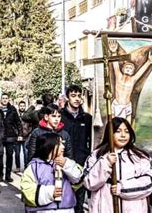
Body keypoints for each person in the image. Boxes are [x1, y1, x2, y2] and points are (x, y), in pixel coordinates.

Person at [84, 117, 152, 213]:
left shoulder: (139, 157)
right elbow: (88, 182)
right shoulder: (97, 155)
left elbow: (150, 182)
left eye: (126, 131)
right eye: (118, 131)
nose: (123, 135)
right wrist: (105, 163)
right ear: (110, 133)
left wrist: (122, 188)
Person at [20, 132, 83, 212]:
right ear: (49, 146)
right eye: (59, 144)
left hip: (67, 209)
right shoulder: (34, 167)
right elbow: (27, 190)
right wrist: (50, 193)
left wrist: (67, 165)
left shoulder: (67, 163)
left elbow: (79, 180)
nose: (63, 147)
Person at [108, 39, 152, 122]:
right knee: (113, 126)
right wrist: (114, 52)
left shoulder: (133, 79)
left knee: (128, 127)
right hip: (116, 104)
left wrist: (149, 61)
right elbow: (115, 65)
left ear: (133, 72)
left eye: (131, 68)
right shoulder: (118, 75)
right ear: (123, 69)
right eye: (127, 67)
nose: (128, 69)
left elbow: (141, 71)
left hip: (127, 106)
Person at [60, 85, 92, 213]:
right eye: (73, 96)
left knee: (79, 199)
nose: (77, 99)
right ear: (68, 98)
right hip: (62, 163)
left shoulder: (87, 118)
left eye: (79, 96)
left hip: (81, 162)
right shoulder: (60, 116)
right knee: (63, 198)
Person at [0, 93, 22, 182]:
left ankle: (8, 175)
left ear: (8, 99)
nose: (5, 100)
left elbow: (18, 122)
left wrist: (20, 134)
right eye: (3, 98)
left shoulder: (12, 109)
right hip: (0, 136)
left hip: (10, 136)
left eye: (6, 98)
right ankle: (0, 174)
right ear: (0, 99)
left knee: (9, 155)